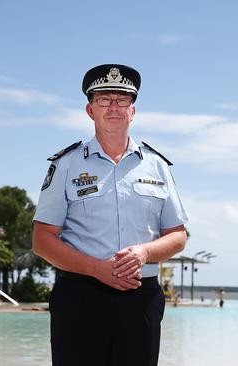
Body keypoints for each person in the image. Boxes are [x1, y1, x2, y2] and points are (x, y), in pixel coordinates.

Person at [32, 64, 189, 366]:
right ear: (90, 110)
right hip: (80, 296)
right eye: (104, 99)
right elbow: (42, 240)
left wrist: (144, 252)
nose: (114, 107)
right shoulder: (66, 164)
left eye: (122, 100)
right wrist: (95, 269)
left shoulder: (156, 166)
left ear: (133, 111)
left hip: (141, 297)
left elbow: (178, 235)